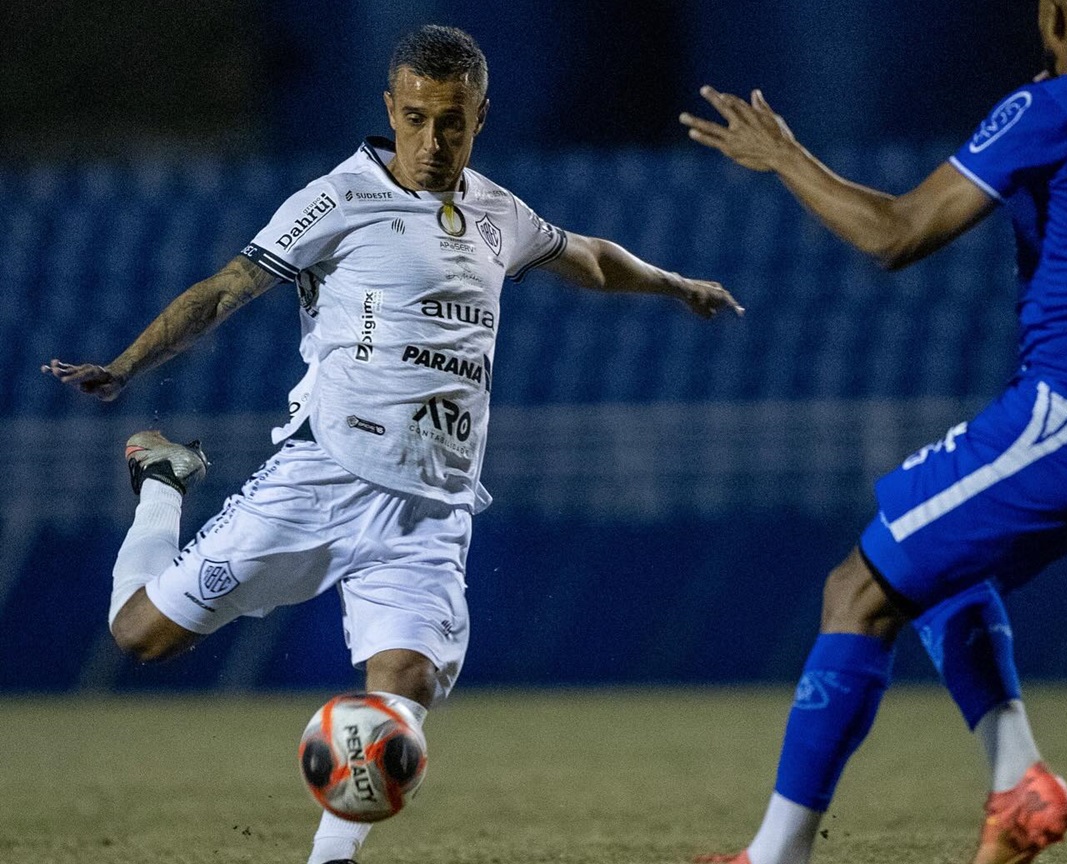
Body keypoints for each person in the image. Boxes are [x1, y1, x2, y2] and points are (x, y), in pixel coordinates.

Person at [43, 24, 741, 864]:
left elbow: (586, 257)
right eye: (414, 118)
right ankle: (163, 479)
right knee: (139, 636)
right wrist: (126, 365)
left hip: (430, 511)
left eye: (451, 122)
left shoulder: (496, 213)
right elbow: (229, 288)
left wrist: (675, 284)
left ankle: (329, 859)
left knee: (403, 689)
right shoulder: (336, 198)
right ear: (390, 107)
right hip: (323, 476)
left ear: (481, 116)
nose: (432, 141)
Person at [680, 0, 1067, 862]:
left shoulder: (1052, 108)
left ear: (1053, 12)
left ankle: (775, 855)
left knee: (858, 588)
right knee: (935, 565)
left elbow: (896, 232)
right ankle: (1017, 782)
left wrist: (784, 157)